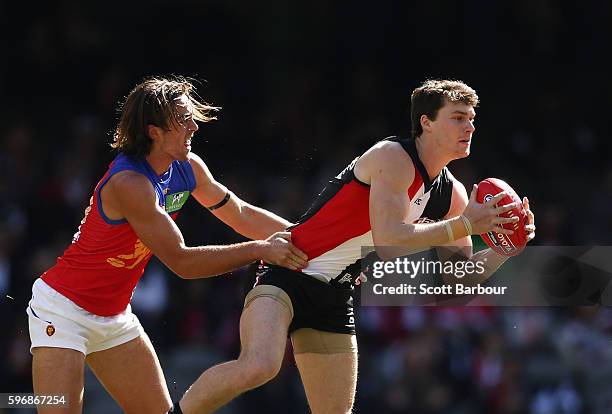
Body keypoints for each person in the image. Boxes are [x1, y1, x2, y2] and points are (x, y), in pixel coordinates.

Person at [174, 79, 536, 414]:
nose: (469, 127)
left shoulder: (453, 196)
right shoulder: (392, 157)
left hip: (336, 293)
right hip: (287, 271)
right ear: (426, 122)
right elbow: (390, 240)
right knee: (259, 365)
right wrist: (468, 225)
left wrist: (506, 250)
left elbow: (456, 284)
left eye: (471, 119)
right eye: (458, 118)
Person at [26, 76, 308, 414]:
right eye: (183, 119)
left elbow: (241, 214)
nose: (194, 126)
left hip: (114, 316)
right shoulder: (130, 183)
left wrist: (312, 240)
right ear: (153, 131)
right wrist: (260, 250)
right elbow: (182, 262)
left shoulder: (188, 167)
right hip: (62, 310)